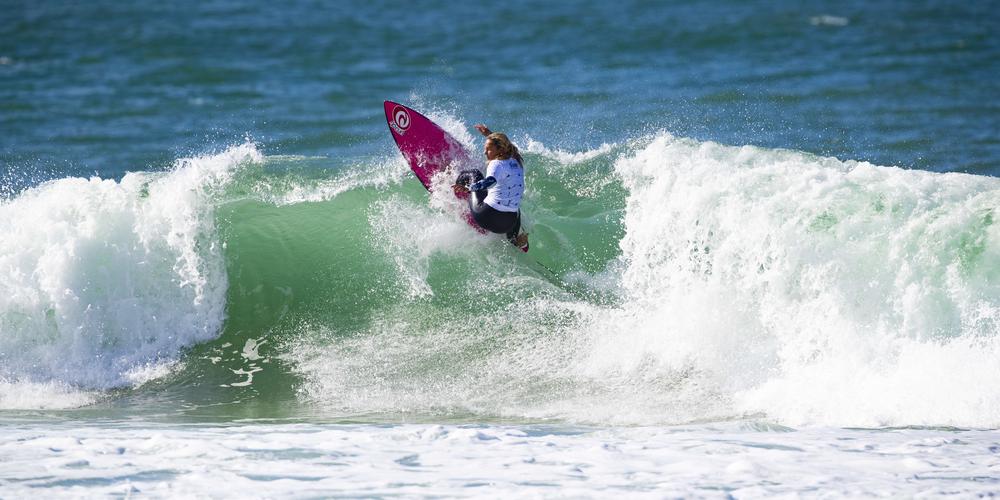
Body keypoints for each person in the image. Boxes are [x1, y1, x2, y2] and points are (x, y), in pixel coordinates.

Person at [453, 124, 529, 250]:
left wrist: (469, 188)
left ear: (499, 151)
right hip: (506, 225)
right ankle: (516, 241)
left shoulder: (496, 164)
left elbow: (490, 181)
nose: (485, 152)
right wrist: (489, 134)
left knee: (474, 173)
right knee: (515, 208)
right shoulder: (516, 160)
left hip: (486, 217)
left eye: (488, 149)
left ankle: (457, 193)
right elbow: (509, 146)